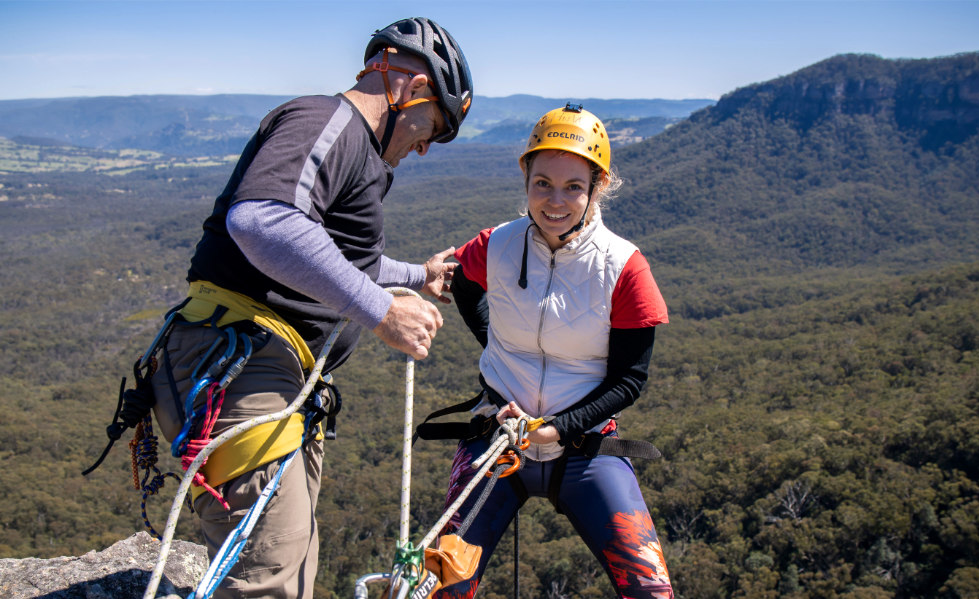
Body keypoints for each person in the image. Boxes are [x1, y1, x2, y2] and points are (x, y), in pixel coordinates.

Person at [145, 17, 472, 599]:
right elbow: (263, 219)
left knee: (290, 568)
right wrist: (381, 311)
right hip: (241, 364)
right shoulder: (329, 120)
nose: (424, 144)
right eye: (433, 126)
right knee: (267, 579)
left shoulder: (357, 149)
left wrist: (416, 277)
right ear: (409, 87)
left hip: (261, 367)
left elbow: (341, 260)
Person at [431, 104, 675, 598]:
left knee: (651, 591)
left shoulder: (625, 267)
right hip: (498, 432)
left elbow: (630, 379)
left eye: (573, 186)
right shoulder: (495, 245)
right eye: (543, 183)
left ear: (596, 187)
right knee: (437, 584)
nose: (555, 200)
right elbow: (462, 280)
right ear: (525, 178)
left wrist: (559, 427)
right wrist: (495, 344)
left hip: (584, 445)